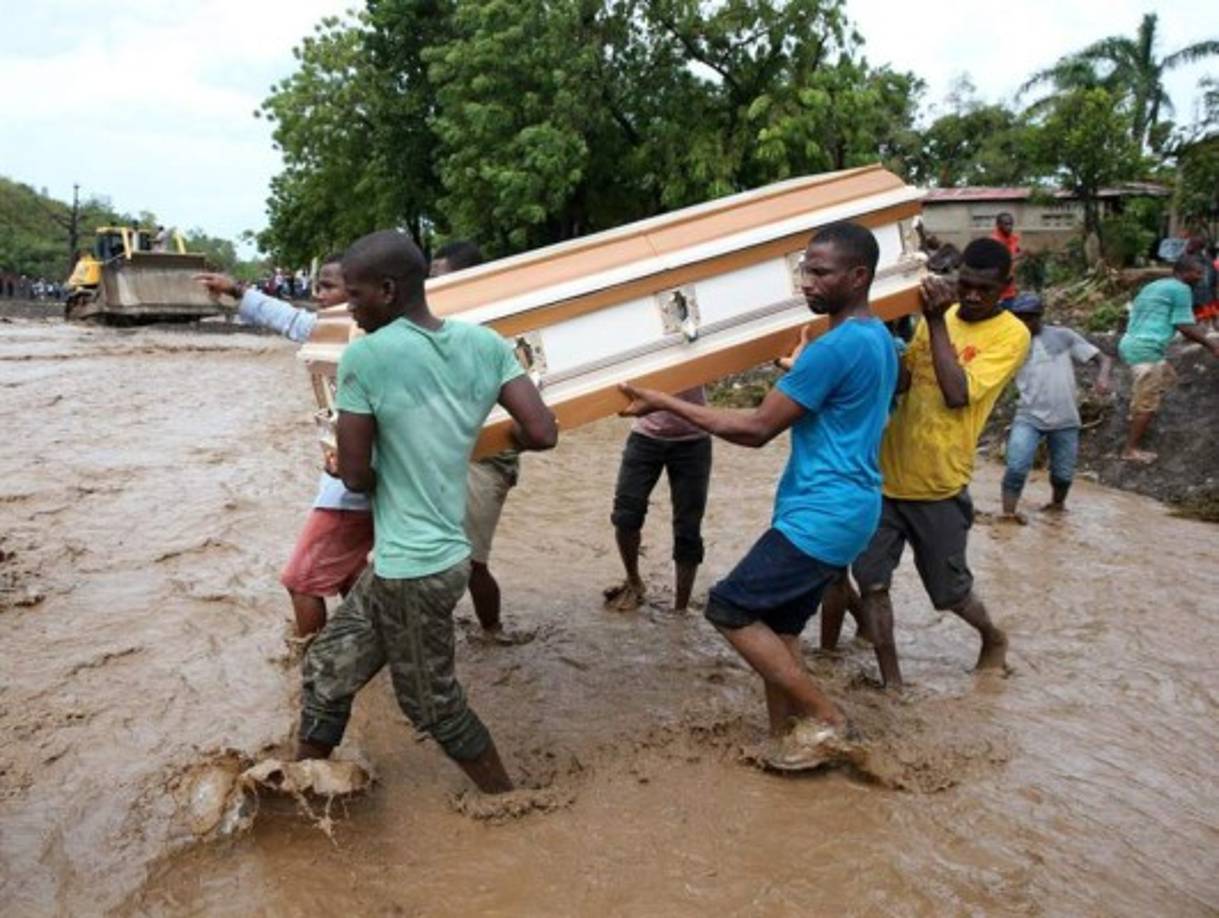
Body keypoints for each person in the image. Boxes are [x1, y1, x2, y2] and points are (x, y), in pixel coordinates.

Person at [619, 222, 898, 770]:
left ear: (858, 275)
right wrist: (801, 370)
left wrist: (665, 402)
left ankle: (828, 719)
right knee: (780, 630)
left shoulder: (834, 348)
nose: (806, 283)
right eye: (804, 270)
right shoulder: (876, 338)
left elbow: (754, 429)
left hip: (822, 513)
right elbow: (840, 395)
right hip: (848, 510)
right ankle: (785, 742)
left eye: (820, 272)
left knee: (729, 606)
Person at [297, 230, 557, 795]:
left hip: (412, 566)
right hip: (435, 556)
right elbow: (542, 431)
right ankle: (298, 786)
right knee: (327, 670)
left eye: (357, 296)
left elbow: (360, 478)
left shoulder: (365, 356)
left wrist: (343, 463)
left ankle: (508, 801)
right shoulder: (484, 343)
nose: (350, 307)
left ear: (388, 291)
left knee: (431, 704)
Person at [852, 237, 1031, 689]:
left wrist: (933, 321)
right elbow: (907, 378)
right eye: (965, 285)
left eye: (983, 290)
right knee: (871, 582)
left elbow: (956, 394)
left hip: (939, 483)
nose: (971, 296)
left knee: (949, 594)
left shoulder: (1012, 335)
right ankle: (892, 680)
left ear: (1006, 287)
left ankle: (992, 637)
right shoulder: (941, 315)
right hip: (886, 476)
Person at [195, 257, 373, 639]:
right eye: (317, 286)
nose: (318, 295)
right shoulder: (343, 333)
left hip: (349, 491)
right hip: (363, 485)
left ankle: (312, 668)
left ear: (358, 292)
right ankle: (373, 649)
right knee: (348, 576)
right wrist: (237, 291)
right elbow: (291, 320)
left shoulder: (365, 341)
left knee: (301, 581)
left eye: (328, 287)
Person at [429, 239, 531, 642]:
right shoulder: (445, 329)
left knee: (471, 559)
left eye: (439, 277)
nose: (430, 286)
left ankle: (492, 630)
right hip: (455, 455)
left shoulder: (488, 332)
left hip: (488, 458)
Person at [999, 293, 1112, 522]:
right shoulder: (1009, 343)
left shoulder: (1063, 336)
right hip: (1028, 415)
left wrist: (1103, 378)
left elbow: (1103, 358)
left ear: (1040, 317)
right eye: (1019, 318)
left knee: (1063, 475)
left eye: (1029, 318)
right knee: (1017, 467)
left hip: (1065, 417)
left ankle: (1056, 507)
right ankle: (1008, 514)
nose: (1024, 323)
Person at [603, 381, 712, 614]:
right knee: (625, 515)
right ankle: (634, 582)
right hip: (645, 436)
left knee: (688, 529)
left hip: (694, 440)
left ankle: (680, 609)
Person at [1118, 255, 1219, 463]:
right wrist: (1212, 345)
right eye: (1198, 272)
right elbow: (1184, 326)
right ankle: (1131, 449)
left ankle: (1137, 410)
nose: (1201, 277)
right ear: (1185, 272)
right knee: (1148, 399)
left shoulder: (1156, 285)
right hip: (1146, 349)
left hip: (1132, 343)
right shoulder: (1181, 289)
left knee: (1168, 378)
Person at [1185, 234, 1218, 329]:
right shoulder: (1208, 259)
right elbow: (1214, 282)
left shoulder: (1189, 259)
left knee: (1197, 325)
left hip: (1196, 298)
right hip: (1207, 299)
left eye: (1190, 243)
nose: (1188, 245)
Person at [990, 212, 1021, 308]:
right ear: (998, 225)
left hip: (1010, 288)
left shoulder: (1014, 239)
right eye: (1006, 224)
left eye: (1011, 224)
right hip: (997, 288)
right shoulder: (994, 241)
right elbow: (997, 261)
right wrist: (1017, 256)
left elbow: (1016, 251)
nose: (1009, 227)